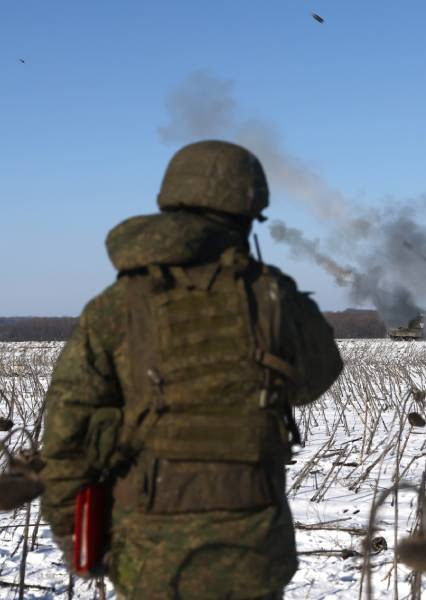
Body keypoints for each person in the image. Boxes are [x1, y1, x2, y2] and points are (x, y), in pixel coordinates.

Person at [40, 140, 344, 599]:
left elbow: (67, 435)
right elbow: (316, 378)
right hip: (252, 549)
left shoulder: (115, 306)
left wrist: (72, 530)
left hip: (148, 552)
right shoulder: (273, 296)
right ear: (245, 214)